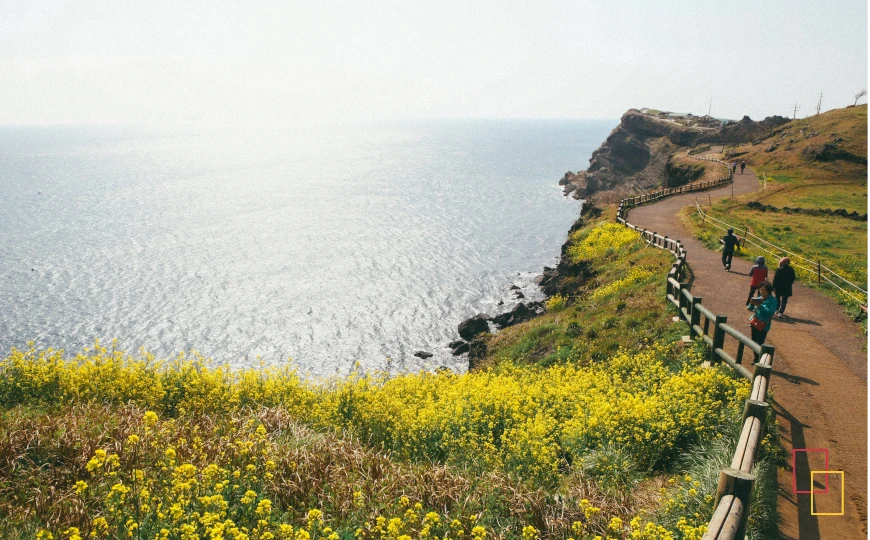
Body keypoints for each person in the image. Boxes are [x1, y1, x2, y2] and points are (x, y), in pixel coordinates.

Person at [748, 281, 778, 362]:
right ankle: (756, 357)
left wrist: (760, 306)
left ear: (768, 291)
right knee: (753, 341)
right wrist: (751, 303)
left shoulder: (773, 300)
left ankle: (758, 359)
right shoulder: (759, 297)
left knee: (760, 342)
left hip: (763, 324)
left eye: (764, 290)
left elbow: (770, 312)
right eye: (760, 289)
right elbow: (750, 308)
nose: (761, 291)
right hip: (755, 321)